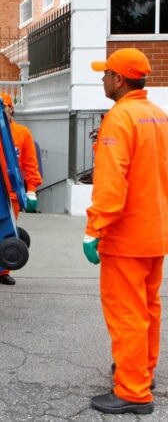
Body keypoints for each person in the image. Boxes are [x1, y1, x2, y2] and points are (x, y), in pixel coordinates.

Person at [84, 48, 168, 415]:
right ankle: (141, 372)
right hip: (156, 231)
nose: (102, 78)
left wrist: (94, 229)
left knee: (127, 313)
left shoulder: (119, 119)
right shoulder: (158, 116)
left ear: (119, 79)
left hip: (127, 236)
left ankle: (134, 391)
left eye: (106, 74)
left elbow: (110, 183)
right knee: (147, 308)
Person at [0, 92, 42, 286]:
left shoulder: (23, 133)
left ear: (11, 108)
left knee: (8, 232)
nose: (2, 110)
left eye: (5, 106)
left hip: (12, 193)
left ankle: (3, 271)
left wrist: (31, 190)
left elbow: (30, 163)